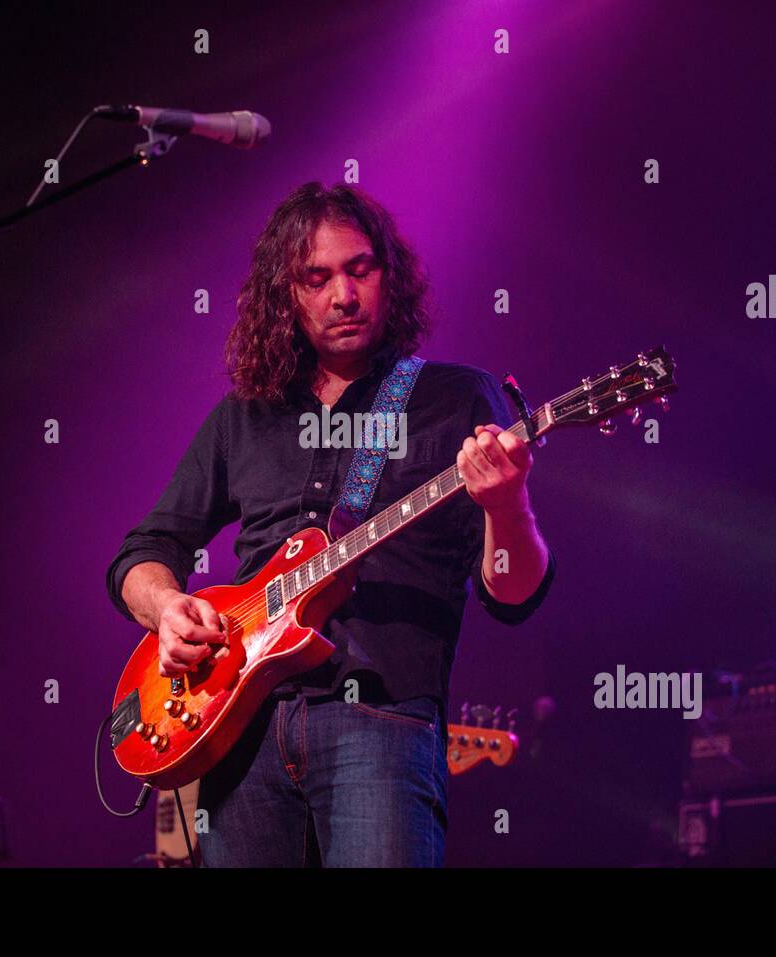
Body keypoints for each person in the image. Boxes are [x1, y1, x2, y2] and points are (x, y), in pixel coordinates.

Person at [108, 182, 555, 866]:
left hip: (379, 719)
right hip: (240, 729)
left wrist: (508, 502)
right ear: (287, 295)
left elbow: (512, 593)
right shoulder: (247, 414)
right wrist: (167, 606)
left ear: (389, 274)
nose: (343, 295)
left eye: (359, 269)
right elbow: (144, 550)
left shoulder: (454, 397)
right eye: (316, 278)